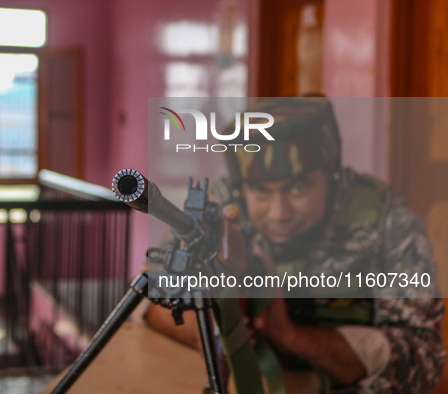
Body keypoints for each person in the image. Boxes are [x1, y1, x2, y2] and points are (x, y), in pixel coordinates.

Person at [145, 97, 446, 393]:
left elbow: (424, 357)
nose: (280, 213)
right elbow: (151, 300)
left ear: (331, 175)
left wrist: (290, 336)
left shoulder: (388, 222)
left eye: (298, 188)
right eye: (261, 192)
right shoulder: (218, 209)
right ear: (241, 187)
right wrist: (209, 329)